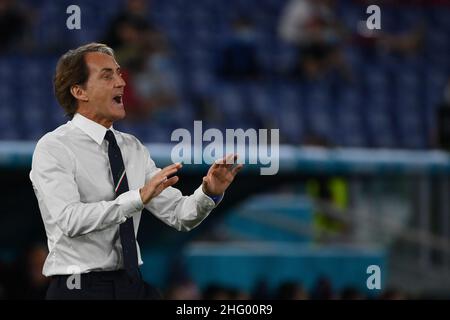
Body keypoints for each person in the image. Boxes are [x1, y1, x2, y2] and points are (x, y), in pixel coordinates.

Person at [29, 43, 243, 300]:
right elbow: (70, 220)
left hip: (131, 285)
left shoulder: (132, 148)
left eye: (119, 73)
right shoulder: (54, 147)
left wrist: (209, 193)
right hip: (79, 288)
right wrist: (138, 198)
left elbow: (179, 215)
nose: (121, 82)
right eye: (107, 75)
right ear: (79, 91)